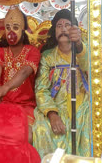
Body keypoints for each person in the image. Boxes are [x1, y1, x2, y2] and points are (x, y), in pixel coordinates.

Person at [32, 9, 90, 157]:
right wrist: (52, 114)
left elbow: (92, 69)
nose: (63, 28)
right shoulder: (47, 57)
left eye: (68, 25)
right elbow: (41, 89)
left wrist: (79, 45)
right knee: (41, 130)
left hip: (83, 108)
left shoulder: (84, 50)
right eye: (59, 25)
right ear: (54, 31)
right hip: (55, 107)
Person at [0, 6, 41, 144]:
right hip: (4, 104)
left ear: (23, 30)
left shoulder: (32, 51)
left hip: (25, 106)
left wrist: (5, 88)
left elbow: (24, 71)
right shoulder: (0, 51)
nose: (11, 32)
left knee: (28, 136)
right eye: (8, 27)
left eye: (16, 27)